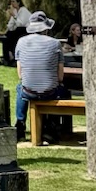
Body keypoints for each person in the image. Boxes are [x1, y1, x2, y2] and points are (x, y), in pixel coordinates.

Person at [14, 12, 65, 143]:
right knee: (63, 91)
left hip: (29, 92)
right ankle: (51, 127)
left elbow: (20, 74)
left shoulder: (21, 42)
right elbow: (60, 76)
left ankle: (20, 124)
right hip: (50, 92)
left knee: (21, 89)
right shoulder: (56, 43)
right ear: (46, 29)